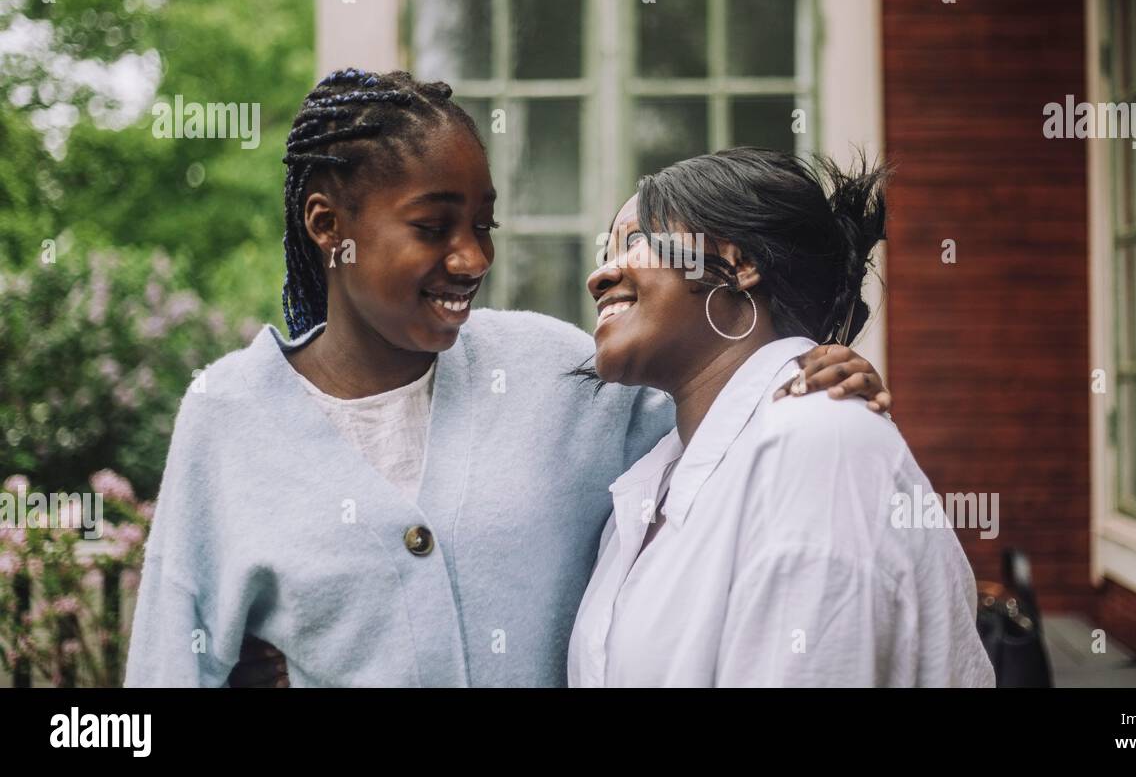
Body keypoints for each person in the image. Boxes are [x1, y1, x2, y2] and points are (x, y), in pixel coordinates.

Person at [123, 70, 890, 687]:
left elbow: (725, 442)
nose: (473, 259)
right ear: (329, 226)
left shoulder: (558, 373)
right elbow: (170, 665)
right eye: (434, 227)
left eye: (484, 226)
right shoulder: (226, 418)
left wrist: (803, 363)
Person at [568, 148, 995, 687]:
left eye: (634, 243)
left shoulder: (820, 447)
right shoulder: (656, 478)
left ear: (741, 263)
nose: (599, 275)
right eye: (606, 249)